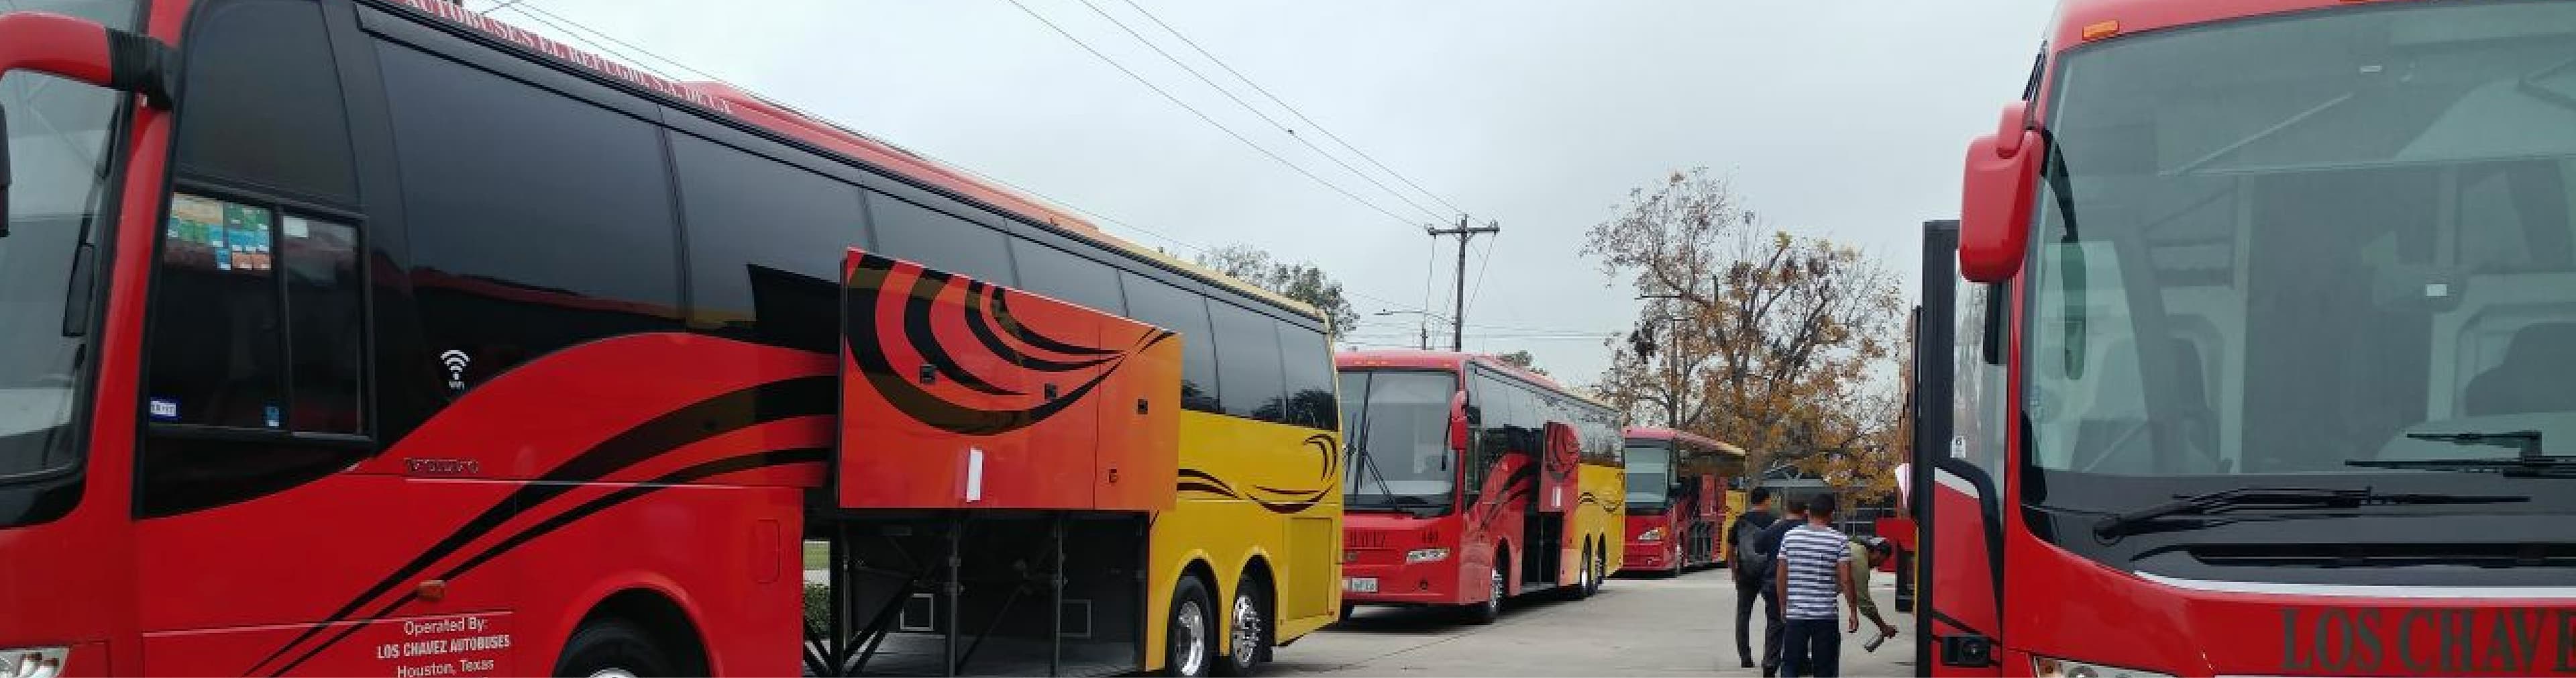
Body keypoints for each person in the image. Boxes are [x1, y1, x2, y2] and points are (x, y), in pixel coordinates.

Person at [1773, 493, 1854, 677]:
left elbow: (1781, 576)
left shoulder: (1790, 537)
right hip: (1825, 615)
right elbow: (1846, 579)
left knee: (1791, 666)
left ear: (1808, 513)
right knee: (1825, 668)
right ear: (1831, 514)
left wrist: (1783, 605)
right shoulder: (1839, 540)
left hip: (1796, 614)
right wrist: (1853, 610)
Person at [1748, 495, 1811, 677]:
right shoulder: (1808, 530)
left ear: (1786, 510)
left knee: (1774, 624)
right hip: (1801, 585)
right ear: (1805, 512)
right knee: (1801, 625)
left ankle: (1770, 664)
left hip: (1773, 583)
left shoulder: (1774, 529)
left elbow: (1758, 547)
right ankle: (1801, 663)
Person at [1727, 487, 1780, 669]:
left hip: (1746, 574)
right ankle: (1770, 657)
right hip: (1769, 574)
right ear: (1766, 500)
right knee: (1774, 616)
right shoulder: (1775, 522)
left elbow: (1731, 548)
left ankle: (1745, 658)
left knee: (1743, 616)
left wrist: (1734, 571)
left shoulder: (1740, 521)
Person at [1847, 536, 1900, 646]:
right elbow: (1864, 601)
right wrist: (1883, 627)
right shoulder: (1859, 560)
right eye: (1882, 560)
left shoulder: (1853, 547)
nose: (1880, 565)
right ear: (1877, 552)